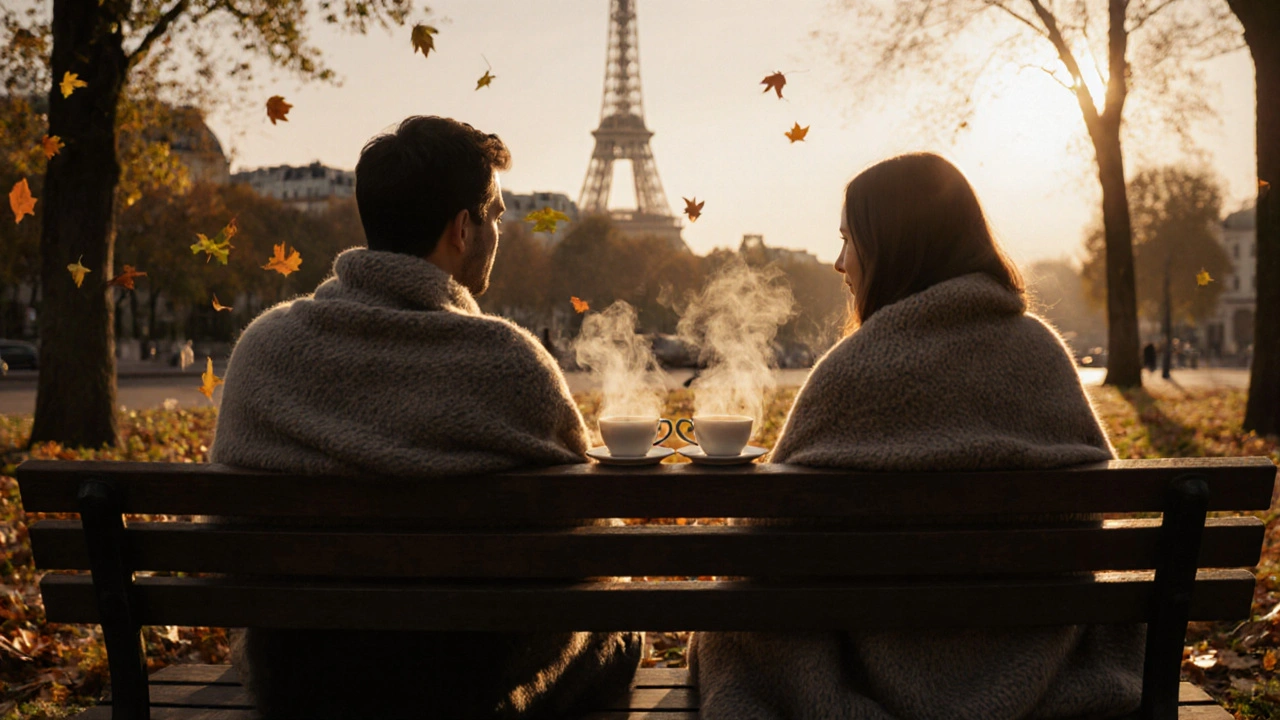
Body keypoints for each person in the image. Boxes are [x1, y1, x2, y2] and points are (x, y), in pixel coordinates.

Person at [211, 116, 641, 719]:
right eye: (495, 214)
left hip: (298, 684)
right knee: (618, 638)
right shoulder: (512, 363)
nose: (499, 230)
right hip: (473, 688)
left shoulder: (263, 349)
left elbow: (228, 532)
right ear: (462, 229)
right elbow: (588, 543)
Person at [688, 153, 1143, 720]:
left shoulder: (851, 373)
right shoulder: (1043, 356)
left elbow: (762, 540)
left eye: (848, 240)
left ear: (891, 247)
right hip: (1035, 657)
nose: (838, 263)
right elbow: (1092, 521)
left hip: (874, 670)